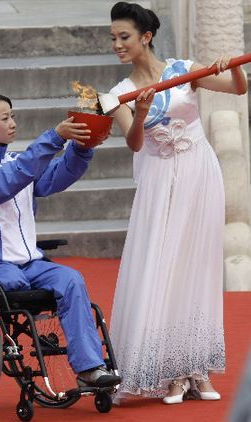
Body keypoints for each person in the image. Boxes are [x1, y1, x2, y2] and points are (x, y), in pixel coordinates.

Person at [107, 1, 247, 404]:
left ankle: (196, 370)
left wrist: (231, 65)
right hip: (159, 180)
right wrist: (143, 109)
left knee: (197, 265)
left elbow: (239, 89)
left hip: (199, 172)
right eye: (114, 37)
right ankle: (169, 372)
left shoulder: (185, 70)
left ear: (145, 37)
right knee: (163, 265)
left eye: (124, 37)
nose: (117, 44)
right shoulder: (119, 93)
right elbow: (133, 142)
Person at [0, 92, 120, 388]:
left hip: (29, 262)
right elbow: (8, 181)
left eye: (13, 116)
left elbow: (53, 176)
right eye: (5, 118)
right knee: (15, 283)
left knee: (72, 280)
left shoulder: (17, 159)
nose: (13, 123)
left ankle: (90, 369)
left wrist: (81, 148)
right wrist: (54, 137)